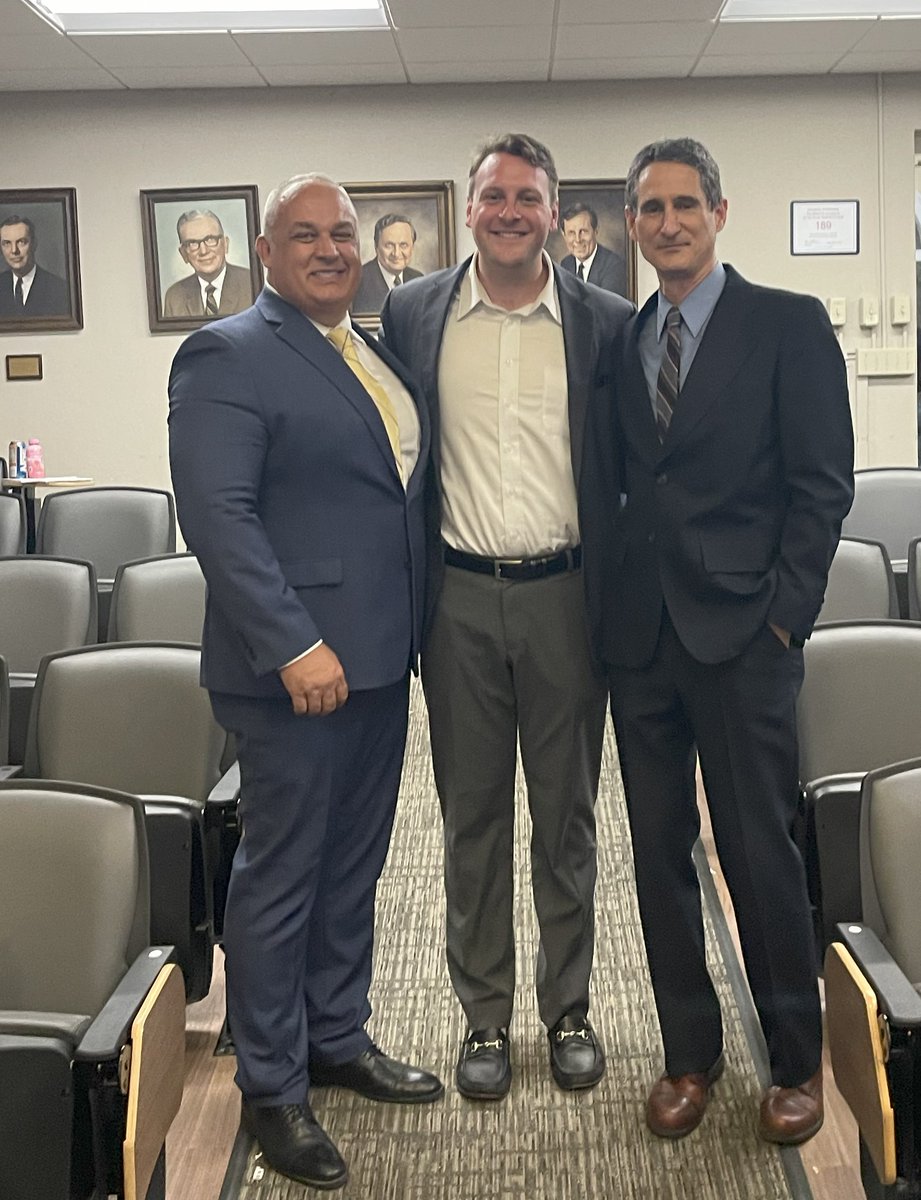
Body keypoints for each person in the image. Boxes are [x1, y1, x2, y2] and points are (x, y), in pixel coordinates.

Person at [168, 173, 441, 1191]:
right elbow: (220, 519)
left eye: (343, 234)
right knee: (281, 878)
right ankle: (274, 1086)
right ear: (265, 248)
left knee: (352, 868)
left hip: (377, 658)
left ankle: (337, 1035)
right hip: (295, 672)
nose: (331, 248)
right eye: (306, 234)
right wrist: (291, 643)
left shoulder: (364, 350)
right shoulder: (226, 352)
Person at [581, 137, 854, 1145]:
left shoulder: (786, 325)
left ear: (720, 213)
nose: (666, 223)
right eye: (648, 209)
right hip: (642, 641)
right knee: (658, 856)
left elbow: (823, 485)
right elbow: (620, 485)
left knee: (757, 850)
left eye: (683, 205)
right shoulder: (624, 335)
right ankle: (687, 1055)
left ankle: (794, 1061)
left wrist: (786, 615)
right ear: (631, 224)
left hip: (746, 637)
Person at [380, 133, 633, 1100]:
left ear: (555, 210)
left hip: (568, 597)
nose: (510, 211)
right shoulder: (413, 312)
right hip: (456, 606)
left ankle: (567, 1007)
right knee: (471, 819)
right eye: (494, 195)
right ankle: (482, 1020)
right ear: (471, 204)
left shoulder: (605, 321)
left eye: (528, 197)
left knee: (565, 818)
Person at [162, 209, 253, 318]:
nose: (203, 251)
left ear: (225, 244)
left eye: (210, 239)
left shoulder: (251, 284)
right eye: (193, 243)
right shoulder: (175, 297)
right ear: (183, 253)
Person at [351, 213, 423, 313]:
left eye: (403, 245)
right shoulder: (357, 281)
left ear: (412, 247)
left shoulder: (418, 280)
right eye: (389, 245)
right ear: (376, 247)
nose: (396, 253)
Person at [0, 213, 69, 317]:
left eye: (21, 242)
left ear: (34, 244)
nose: (14, 250)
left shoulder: (60, 289)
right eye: (7, 243)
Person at [559, 202, 627, 297]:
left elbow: (606, 309)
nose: (578, 240)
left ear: (596, 231)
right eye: (571, 233)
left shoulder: (614, 266)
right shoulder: (565, 264)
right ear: (564, 235)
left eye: (583, 231)